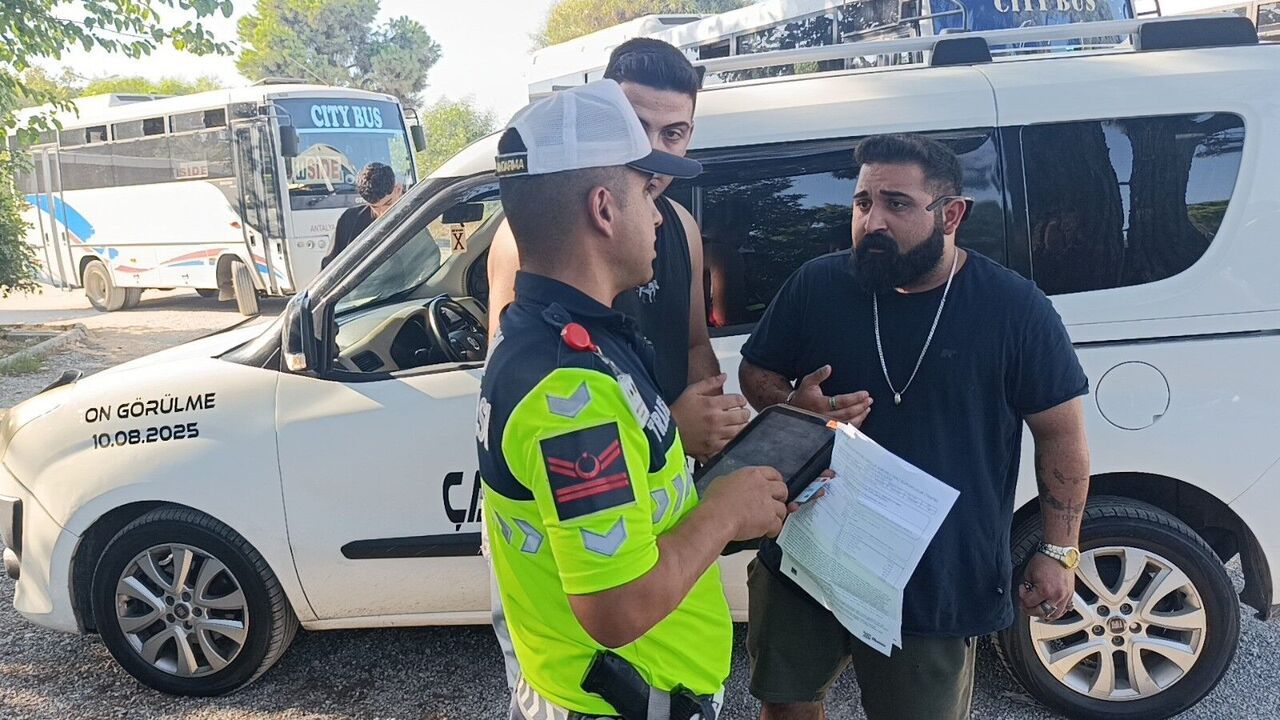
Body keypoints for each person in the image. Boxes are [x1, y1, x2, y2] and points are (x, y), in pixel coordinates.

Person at [738, 134, 1092, 720]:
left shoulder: (1015, 309)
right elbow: (757, 372)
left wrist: (1060, 550)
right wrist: (795, 407)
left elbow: (1061, 435)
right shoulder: (817, 285)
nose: (872, 221)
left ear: (951, 214)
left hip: (936, 568)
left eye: (896, 203)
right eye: (862, 203)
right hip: (809, 546)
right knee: (787, 707)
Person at [477, 79, 792, 720]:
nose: (658, 215)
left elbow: (640, 508)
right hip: (622, 703)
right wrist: (724, 513)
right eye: (646, 192)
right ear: (603, 208)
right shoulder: (569, 391)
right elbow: (616, 609)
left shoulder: (565, 333)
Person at [487, 38, 749, 463]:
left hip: (662, 482)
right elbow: (514, 388)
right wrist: (671, 429)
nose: (652, 151)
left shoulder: (682, 227)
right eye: (636, 126)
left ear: (689, 136)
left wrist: (713, 434)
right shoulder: (527, 239)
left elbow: (694, 346)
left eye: (672, 134)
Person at [320, 162, 403, 269]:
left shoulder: (415, 214)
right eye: (375, 207)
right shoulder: (349, 221)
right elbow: (330, 266)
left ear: (398, 189)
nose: (382, 213)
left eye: (388, 203)